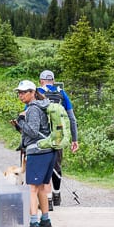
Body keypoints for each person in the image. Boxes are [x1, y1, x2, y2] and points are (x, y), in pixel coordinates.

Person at [10, 79, 56, 227]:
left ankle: (33, 225)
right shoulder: (40, 107)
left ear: (32, 92)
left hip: (38, 152)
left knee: (32, 188)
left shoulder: (33, 109)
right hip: (48, 151)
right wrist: (19, 126)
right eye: (19, 92)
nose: (20, 95)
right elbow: (34, 131)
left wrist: (21, 121)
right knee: (42, 187)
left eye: (24, 92)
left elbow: (34, 132)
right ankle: (45, 221)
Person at [37, 70, 79, 208]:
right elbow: (72, 119)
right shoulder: (61, 93)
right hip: (59, 137)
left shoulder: (36, 93)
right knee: (56, 165)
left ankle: (47, 200)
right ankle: (57, 195)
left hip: (42, 136)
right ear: (53, 81)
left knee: (44, 166)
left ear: (41, 81)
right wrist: (74, 139)